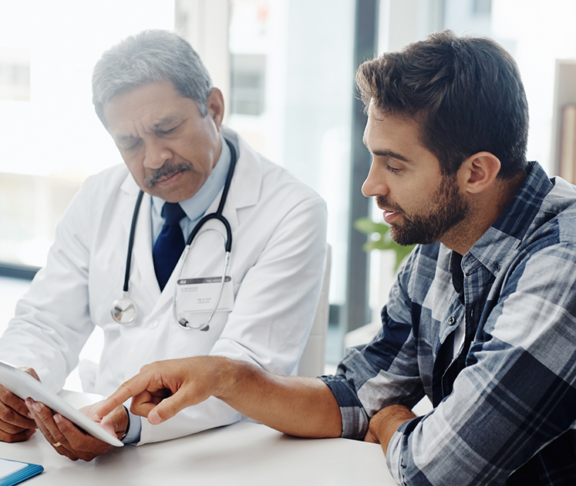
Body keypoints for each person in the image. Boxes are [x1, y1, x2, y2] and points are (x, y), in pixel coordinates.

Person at [98, 30, 576, 485]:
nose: (371, 186)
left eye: (395, 164)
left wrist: (391, 423)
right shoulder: (444, 241)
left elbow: (440, 469)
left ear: (476, 172)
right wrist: (223, 376)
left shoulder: (563, 265)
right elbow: (356, 396)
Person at [0, 30, 327, 460]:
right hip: (104, 442)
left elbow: (246, 371)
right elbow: (46, 323)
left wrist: (134, 424)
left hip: (226, 456)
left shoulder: (292, 210)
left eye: (166, 129)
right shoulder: (100, 196)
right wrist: (21, 388)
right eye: (130, 143)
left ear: (214, 108)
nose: (153, 158)